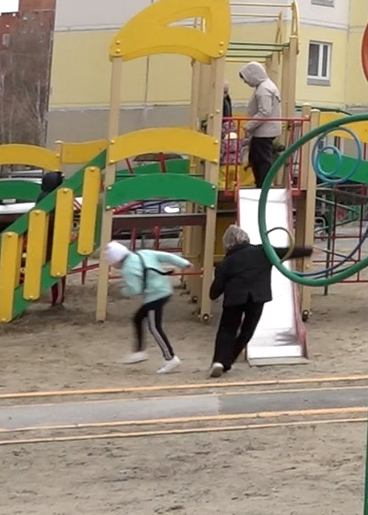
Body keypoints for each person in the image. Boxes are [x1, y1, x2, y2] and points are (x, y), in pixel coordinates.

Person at [206, 224, 316, 378]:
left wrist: (215, 291)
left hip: (234, 298)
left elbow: (214, 292)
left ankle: (219, 361)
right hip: (257, 297)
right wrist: (308, 250)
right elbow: (286, 251)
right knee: (247, 330)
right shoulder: (262, 251)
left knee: (227, 329)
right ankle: (228, 360)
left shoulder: (225, 263)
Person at [104, 240, 193, 373]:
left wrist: (122, 291)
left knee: (154, 327)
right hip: (164, 289)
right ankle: (139, 351)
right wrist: (184, 263)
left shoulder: (128, 269)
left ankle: (170, 358)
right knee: (138, 318)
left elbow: (135, 289)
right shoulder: (143, 253)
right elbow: (166, 256)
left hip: (154, 296)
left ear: (116, 260)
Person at [238, 62, 283, 186]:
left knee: (261, 159)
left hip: (263, 132)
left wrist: (249, 125)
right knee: (257, 158)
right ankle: (262, 184)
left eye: (246, 78)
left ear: (253, 75)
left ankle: (263, 185)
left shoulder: (263, 90)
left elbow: (264, 112)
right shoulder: (266, 86)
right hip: (265, 130)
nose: (245, 81)